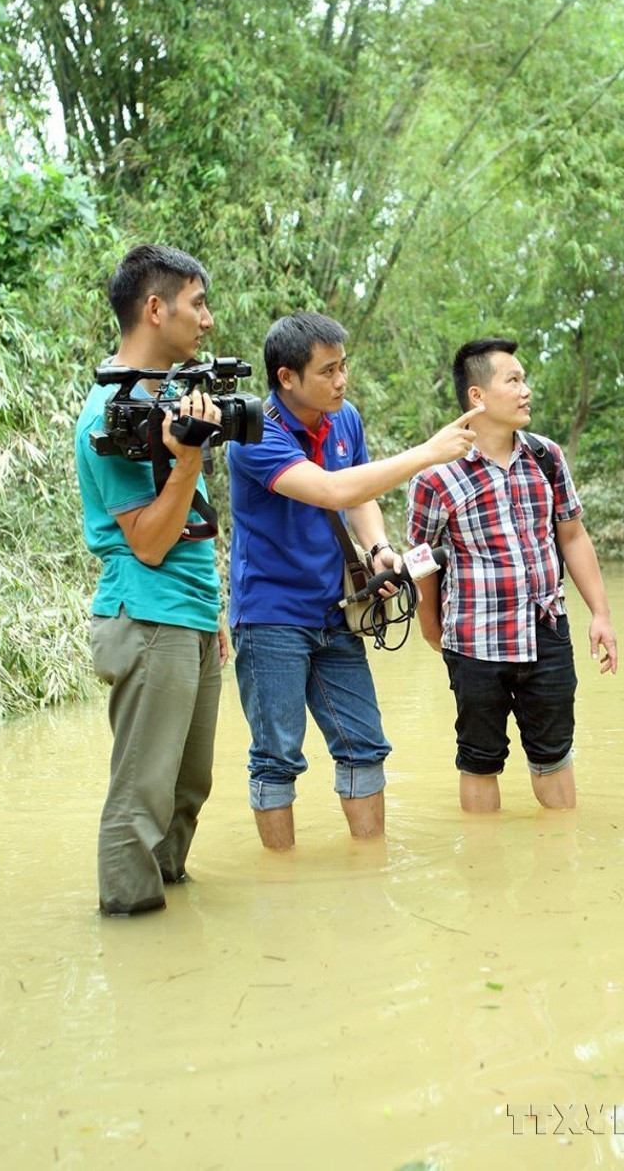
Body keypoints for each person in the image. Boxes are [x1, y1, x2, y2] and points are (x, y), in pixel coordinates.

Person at [227, 311, 483, 851]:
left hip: (336, 607)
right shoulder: (252, 435)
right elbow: (330, 491)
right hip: (270, 615)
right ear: (286, 378)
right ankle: (281, 878)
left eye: (344, 366)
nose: (342, 380)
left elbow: (361, 497)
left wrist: (380, 549)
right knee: (277, 756)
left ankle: (370, 871)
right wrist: (428, 453)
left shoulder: (345, 418)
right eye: (328, 371)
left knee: (363, 744)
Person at [75, 244, 227, 916]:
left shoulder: (168, 398)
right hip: (147, 615)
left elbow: (191, 524)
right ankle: (131, 929)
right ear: (155, 308)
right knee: (142, 796)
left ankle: (169, 916)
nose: (208, 320)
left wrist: (214, 610)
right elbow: (150, 541)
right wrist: (189, 458)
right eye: (198, 303)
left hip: (190, 615)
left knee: (188, 788)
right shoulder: (107, 417)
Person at [407, 338, 617, 813]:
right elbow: (422, 558)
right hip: (475, 640)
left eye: (524, 380)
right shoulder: (434, 475)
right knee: (479, 759)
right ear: (478, 396)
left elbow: (573, 536)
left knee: (554, 753)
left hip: (546, 631)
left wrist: (600, 613)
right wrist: (430, 626)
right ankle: (483, 871)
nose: (527, 391)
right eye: (514, 380)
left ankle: (562, 862)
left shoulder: (547, 457)